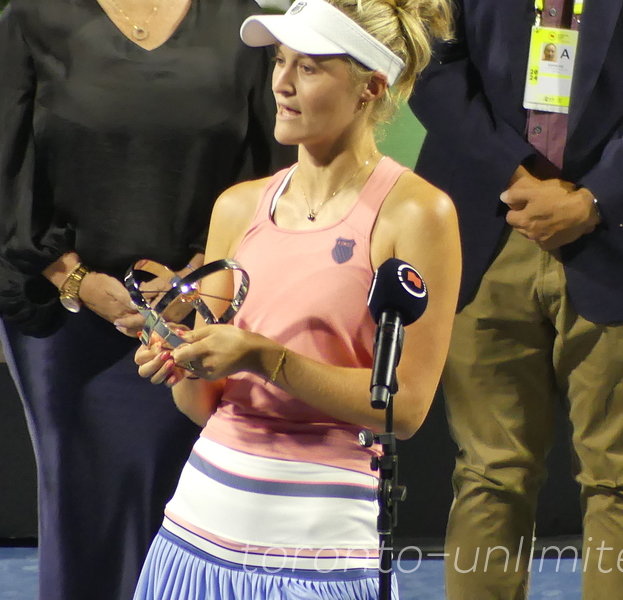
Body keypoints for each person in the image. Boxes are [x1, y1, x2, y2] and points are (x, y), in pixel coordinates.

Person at [132, 0, 459, 597]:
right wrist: (179, 357)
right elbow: (202, 405)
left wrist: (262, 356)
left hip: (322, 555)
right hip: (194, 536)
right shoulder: (236, 206)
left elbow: (405, 409)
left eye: (309, 68)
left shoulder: (418, 215)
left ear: (370, 87)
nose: (280, 82)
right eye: (281, 61)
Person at [409, 0, 623, 598]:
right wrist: (514, 175)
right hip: (488, 220)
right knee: (488, 473)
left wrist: (595, 199)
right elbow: (428, 61)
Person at [0, 2, 294, 599]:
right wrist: (76, 280)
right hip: (63, 322)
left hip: (202, 320)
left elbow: (271, 171)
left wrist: (200, 280)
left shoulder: (242, 24)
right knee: (83, 500)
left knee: (184, 508)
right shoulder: (34, 18)